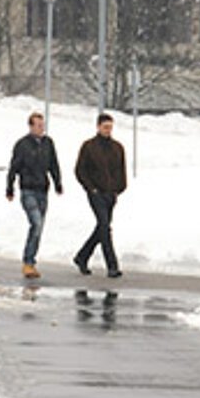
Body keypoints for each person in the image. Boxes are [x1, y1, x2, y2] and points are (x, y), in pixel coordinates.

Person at [6, 112, 62, 279]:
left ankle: (31, 261)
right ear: (31, 126)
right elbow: (13, 167)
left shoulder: (48, 143)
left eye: (42, 125)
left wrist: (58, 183)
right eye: (38, 125)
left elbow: (54, 164)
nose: (41, 128)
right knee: (36, 223)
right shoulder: (22, 145)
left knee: (39, 227)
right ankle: (28, 261)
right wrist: (9, 188)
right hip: (28, 189)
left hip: (43, 189)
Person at [73, 113, 127, 278]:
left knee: (102, 228)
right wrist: (91, 188)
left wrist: (119, 188)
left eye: (110, 127)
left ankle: (82, 257)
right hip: (96, 192)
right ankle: (112, 265)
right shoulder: (89, 146)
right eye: (105, 127)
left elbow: (121, 170)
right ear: (98, 127)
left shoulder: (117, 147)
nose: (108, 130)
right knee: (104, 226)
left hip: (111, 193)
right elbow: (80, 170)